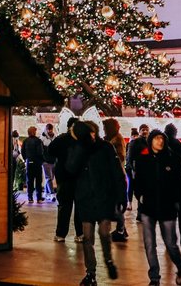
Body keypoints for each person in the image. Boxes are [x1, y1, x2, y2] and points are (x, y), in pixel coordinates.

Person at [67, 121, 125, 286]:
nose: (90, 136)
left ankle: (108, 260)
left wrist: (121, 196)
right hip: (85, 200)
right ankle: (90, 273)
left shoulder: (105, 147)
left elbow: (116, 172)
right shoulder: (78, 148)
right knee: (88, 238)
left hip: (104, 198)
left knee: (104, 234)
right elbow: (70, 169)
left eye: (92, 132)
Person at [133, 129, 181, 286]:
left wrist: (177, 200)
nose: (160, 141)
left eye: (162, 138)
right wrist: (140, 196)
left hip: (167, 207)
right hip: (148, 208)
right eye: (156, 138)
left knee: (170, 244)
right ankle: (154, 277)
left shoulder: (173, 159)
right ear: (150, 141)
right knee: (149, 244)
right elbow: (137, 181)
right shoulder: (143, 159)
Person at [47, 117, 83, 243]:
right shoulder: (82, 140)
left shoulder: (61, 139)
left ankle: (61, 234)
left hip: (65, 178)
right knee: (78, 207)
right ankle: (80, 234)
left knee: (64, 207)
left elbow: (50, 151)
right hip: (78, 179)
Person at [103, 118, 128, 241]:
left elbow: (120, 157)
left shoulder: (117, 140)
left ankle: (121, 230)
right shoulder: (112, 138)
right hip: (113, 175)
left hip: (116, 175)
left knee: (116, 205)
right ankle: (122, 229)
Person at [125, 123, 150, 219]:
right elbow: (130, 158)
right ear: (139, 131)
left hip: (148, 172)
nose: (145, 131)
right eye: (143, 129)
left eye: (146, 129)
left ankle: (142, 213)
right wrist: (134, 170)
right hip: (138, 172)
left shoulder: (150, 142)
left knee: (145, 192)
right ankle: (141, 213)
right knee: (139, 192)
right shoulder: (134, 142)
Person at [21, 126, 46, 203]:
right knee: (38, 181)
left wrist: (26, 159)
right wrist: (42, 160)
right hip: (37, 163)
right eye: (35, 131)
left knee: (30, 181)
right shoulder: (38, 141)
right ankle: (38, 198)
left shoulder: (25, 141)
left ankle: (30, 197)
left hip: (29, 163)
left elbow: (22, 152)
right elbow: (41, 152)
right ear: (33, 132)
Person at [40, 123, 58, 200]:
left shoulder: (55, 137)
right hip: (46, 161)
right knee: (49, 178)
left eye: (51, 130)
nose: (50, 131)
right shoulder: (42, 138)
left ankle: (46, 193)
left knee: (51, 178)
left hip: (53, 160)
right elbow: (41, 150)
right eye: (49, 130)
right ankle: (52, 194)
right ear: (46, 129)